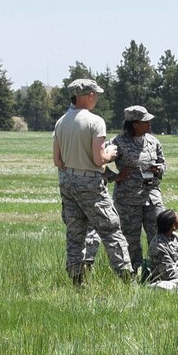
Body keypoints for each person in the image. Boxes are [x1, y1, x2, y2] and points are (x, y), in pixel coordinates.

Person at [52, 79, 135, 284]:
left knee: (75, 233)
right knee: (111, 229)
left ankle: (76, 280)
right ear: (88, 95)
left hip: (68, 183)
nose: (96, 98)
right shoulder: (95, 121)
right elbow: (99, 159)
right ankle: (127, 279)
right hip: (90, 183)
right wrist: (111, 153)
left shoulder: (61, 122)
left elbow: (57, 161)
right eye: (95, 94)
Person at [111, 104, 166, 270]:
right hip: (128, 200)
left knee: (158, 235)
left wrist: (158, 169)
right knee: (130, 239)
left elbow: (163, 163)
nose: (150, 124)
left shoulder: (153, 141)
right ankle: (134, 272)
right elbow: (98, 160)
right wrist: (113, 177)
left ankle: (159, 270)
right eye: (145, 121)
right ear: (135, 124)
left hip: (152, 198)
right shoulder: (117, 142)